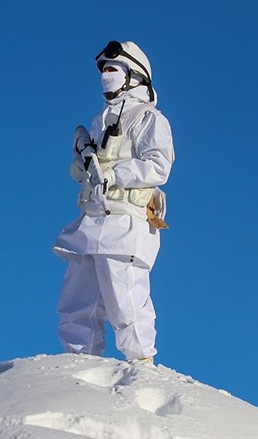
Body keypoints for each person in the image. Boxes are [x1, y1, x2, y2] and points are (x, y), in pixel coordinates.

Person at [53, 40, 175, 364]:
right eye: (103, 70)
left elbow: (159, 164)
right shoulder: (100, 121)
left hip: (125, 223)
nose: (105, 75)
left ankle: (141, 364)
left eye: (112, 69)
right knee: (77, 300)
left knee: (126, 299)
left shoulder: (149, 119)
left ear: (132, 76)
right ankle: (79, 364)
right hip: (92, 220)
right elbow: (93, 168)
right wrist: (83, 168)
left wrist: (116, 174)